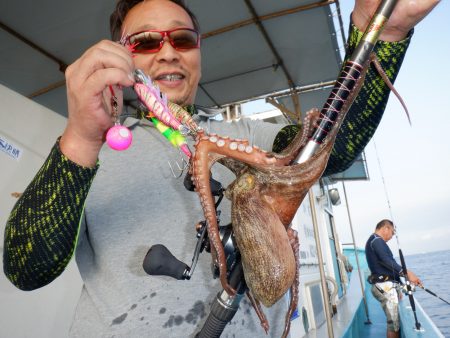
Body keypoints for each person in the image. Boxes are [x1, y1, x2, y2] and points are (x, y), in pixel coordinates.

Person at [3, 0, 439, 337]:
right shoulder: (85, 152)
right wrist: (81, 137)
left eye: (183, 39)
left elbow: (331, 146)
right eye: (147, 42)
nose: (168, 53)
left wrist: (383, 34)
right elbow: (27, 268)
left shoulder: (250, 135)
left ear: (198, 50)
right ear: (122, 56)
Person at [365, 219, 422, 338]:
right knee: (394, 325)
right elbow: (387, 261)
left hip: (387, 285)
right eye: (392, 232)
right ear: (385, 228)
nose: (392, 236)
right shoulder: (377, 241)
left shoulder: (375, 241)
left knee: (394, 323)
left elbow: (388, 264)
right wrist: (407, 273)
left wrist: (403, 285)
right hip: (384, 286)